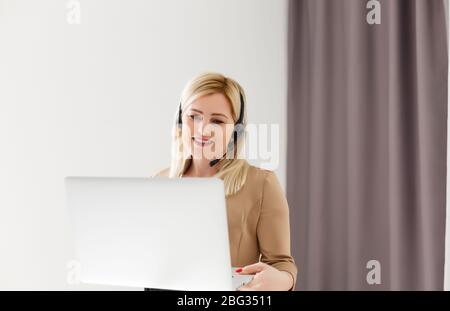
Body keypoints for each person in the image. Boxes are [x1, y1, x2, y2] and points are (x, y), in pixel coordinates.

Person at [153, 72, 297, 291]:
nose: (203, 130)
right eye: (194, 117)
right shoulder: (159, 181)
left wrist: (283, 281)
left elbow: (282, 264)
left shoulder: (261, 184)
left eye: (218, 121)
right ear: (180, 119)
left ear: (235, 132)